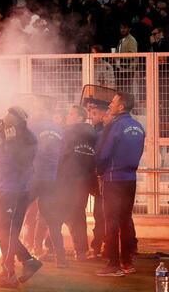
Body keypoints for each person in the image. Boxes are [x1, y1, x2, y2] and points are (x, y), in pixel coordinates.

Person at [0, 107, 42, 288]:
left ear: (15, 125)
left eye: (6, 124)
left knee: (8, 230)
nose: (4, 127)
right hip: (2, 188)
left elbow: (21, 161)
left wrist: (8, 142)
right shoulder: (5, 134)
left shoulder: (27, 139)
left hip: (14, 191)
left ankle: (10, 272)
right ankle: (25, 261)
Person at [95, 92, 145, 277]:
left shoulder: (114, 126)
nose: (111, 104)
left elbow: (103, 153)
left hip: (113, 179)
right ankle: (127, 262)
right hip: (130, 179)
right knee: (125, 221)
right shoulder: (138, 126)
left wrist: (99, 171)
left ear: (121, 106)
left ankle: (113, 265)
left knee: (111, 222)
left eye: (114, 101)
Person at [55, 105, 97, 262]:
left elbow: (59, 155)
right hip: (84, 180)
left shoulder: (67, 133)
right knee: (78, 215)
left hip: (67, 180)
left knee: (55, 213)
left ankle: (51, 249)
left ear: (80, 117)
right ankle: (81, 251)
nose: (68, 116)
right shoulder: (93, 134)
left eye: (71, 114)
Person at [28, 98, 65, 267]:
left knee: (17, 214)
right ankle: (61, 259)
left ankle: (14, 255)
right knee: (53, 220)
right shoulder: (59, 129)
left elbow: (26, 150)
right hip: (52, 179)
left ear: (42, 109)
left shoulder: (34, 127)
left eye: (36, 107)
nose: (33, 110)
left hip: (35, 177)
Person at [86, 101, 109, 259]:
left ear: (102, 115)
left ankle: (99, 246)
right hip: (101, 179)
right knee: (101, 214)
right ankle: (101, 246)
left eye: (94, 114)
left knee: (100, 214)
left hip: (102, 179)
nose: (91, 117)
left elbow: (98, 157)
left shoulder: (100, 133)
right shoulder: (98, 131)